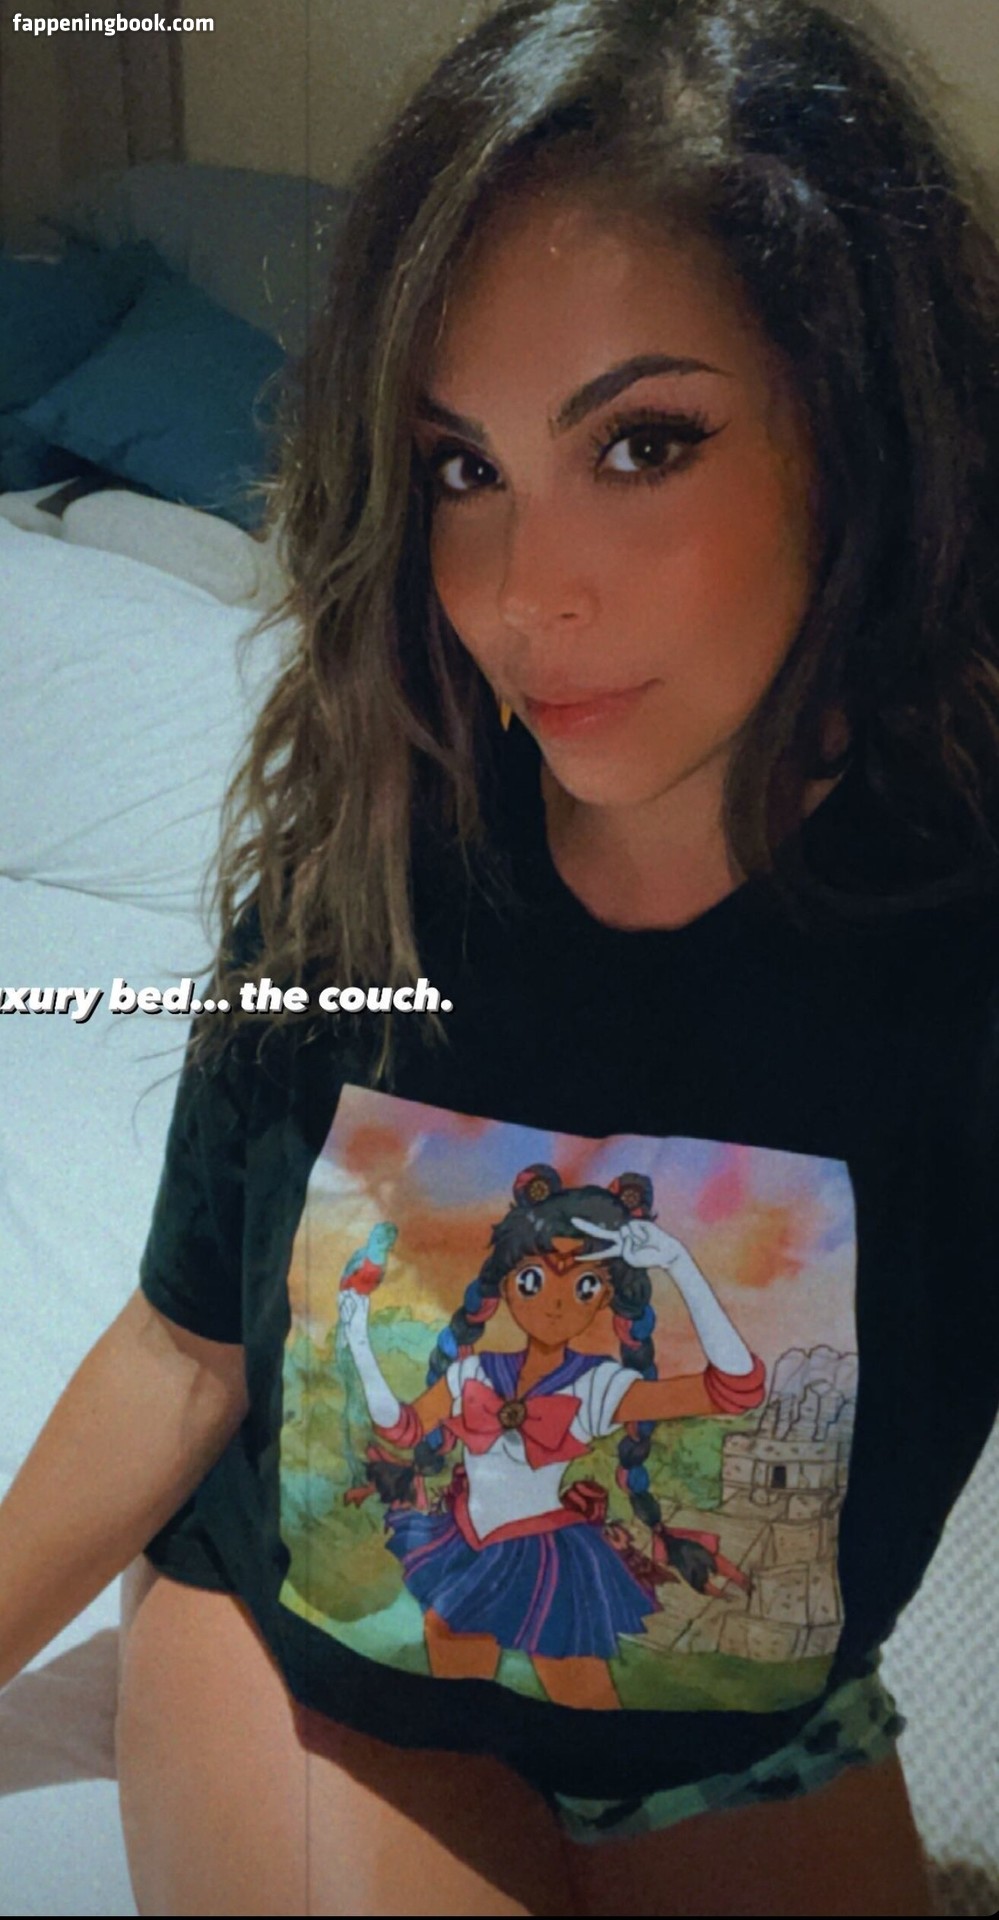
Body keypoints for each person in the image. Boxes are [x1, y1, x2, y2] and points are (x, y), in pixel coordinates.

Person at [3, 0, 998, 1911]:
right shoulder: (372, 860)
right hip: (326, 1658)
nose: (523, 596)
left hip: (728, 1722)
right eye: (464, 469)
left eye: (643, 443)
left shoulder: (953, 936)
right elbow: (184, 1352)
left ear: (862, 434)